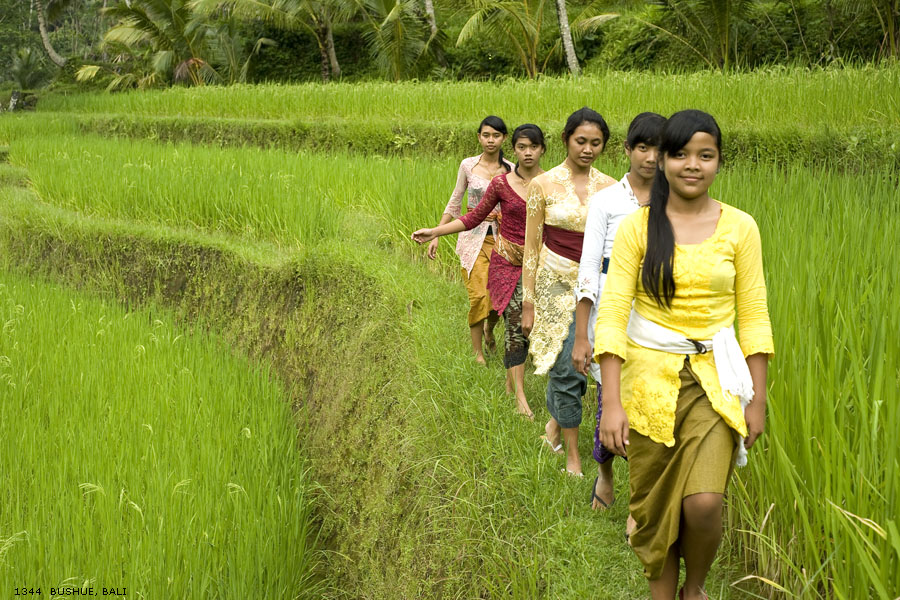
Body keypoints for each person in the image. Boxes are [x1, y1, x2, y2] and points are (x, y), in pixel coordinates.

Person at [593, 110, 773, 600]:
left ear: (718, 161)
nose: (692, 165)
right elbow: (612, 315)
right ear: (663, 160)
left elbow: (754, 314)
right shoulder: (637, 228)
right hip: (647, 381)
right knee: (654, 510)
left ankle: (695, 587)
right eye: (680, 154)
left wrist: (757, 399)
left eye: (705, 155)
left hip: (716, 383)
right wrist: (611, 403)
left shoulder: (740, 227)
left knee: (704, 504)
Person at [412, 124, 547, 420]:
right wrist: (436, 231)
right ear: (514, 149)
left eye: (533, 147)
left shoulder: (552, 184)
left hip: (540, 265)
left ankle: (512, 382)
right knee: (515, 325)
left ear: (542, 150)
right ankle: (520, 396)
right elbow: (472, 216)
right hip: (506, 261)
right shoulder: (502, 183)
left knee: (529, 326)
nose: (527, 152)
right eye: (521, 147)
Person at [570, 112, 666, 513]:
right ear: (627, 150)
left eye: (659, 149)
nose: (650, 157)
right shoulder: (607, 201)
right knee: (612, 399)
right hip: (612, 311)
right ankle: (606, 475)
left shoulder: (675, 198)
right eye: (642, 147)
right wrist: (581, 334)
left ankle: (642, 497)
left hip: (659, 315)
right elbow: (589, 268)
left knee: (652, 400)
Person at [521, 107, 617, 476]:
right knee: (565, 367)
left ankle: (554, 425)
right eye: (581, 141)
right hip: (553, 284)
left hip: (596, 287)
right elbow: (531, 248)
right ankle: (573, 457)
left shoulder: (610, 188)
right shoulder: (542, 185)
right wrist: (528, 302)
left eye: (596, 143)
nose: (588, 149)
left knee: (589, 363)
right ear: (565, 140)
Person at [428, 116, 514, 365]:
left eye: (496, 135)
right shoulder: (468, 165)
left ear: (504, 138)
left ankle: (489, 330)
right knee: (478, 296)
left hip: (502, 241)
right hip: (473, 238)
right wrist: (436, 232)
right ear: (479, 137)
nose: (491, 140)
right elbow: (456, 200)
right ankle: (477, 353)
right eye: (486, 135)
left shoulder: (510, 169)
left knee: (500, 300)